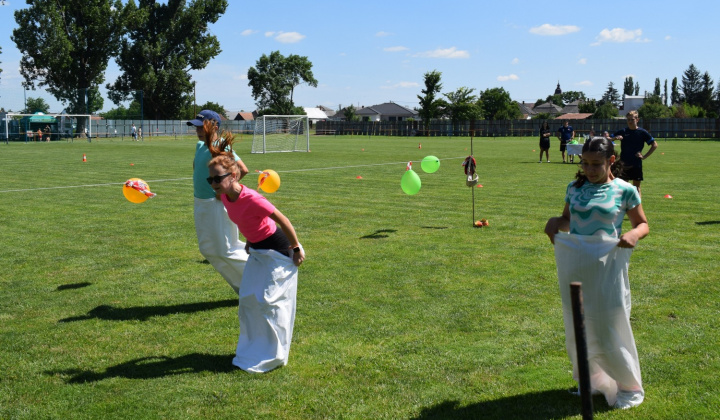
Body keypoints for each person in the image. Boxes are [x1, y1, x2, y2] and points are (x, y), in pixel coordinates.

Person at [544, 137, 649, 410]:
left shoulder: (625, 190)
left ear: (610, 161)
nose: (589, 170)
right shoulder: (574, 188)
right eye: (585, 163)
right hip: (577, 267)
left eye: (596, 164)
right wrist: (556, 223)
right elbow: (568, 220)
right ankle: (591, 381)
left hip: (608, 268)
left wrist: (633, 234)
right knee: (580, 325)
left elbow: (642, 224)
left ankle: (628, 386)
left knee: (609, 326)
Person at [207, 143, 305, 373]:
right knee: (249, 298)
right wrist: (250, 241)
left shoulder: (253, 198)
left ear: (233, 176)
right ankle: (256, 347)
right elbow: (247, 222)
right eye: (209, 180)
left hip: (278, 250)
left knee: (269, 301)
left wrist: (297, 248)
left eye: (216, 179)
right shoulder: (225, 198)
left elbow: (283, 220)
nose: (213, 184)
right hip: (257, 250)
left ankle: (274, 353)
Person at [187, 110, 250, 295]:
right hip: (201, 203)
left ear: (215, 126)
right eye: (196, 126)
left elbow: (242, 170)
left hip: (215, 204)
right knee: (209, 249)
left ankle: (262, 272)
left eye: (202, 126)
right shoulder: (200, 145)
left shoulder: (220, 146)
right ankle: (245, 286)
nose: (198, 130)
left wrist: (222, 192)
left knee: (225, 250)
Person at [613, 110, 657, 196]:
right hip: (624, 163)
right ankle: (623, 207)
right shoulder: (623, 131)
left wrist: (644, 156)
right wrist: (615, 138)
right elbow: (607, 138)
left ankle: (637, 208)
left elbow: (654, 145)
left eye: (632, 119)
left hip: (636, 163)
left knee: (636, 188)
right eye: (628, 119)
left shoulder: (642, 132)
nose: (630, 122)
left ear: (637, 120)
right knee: (623, 187)